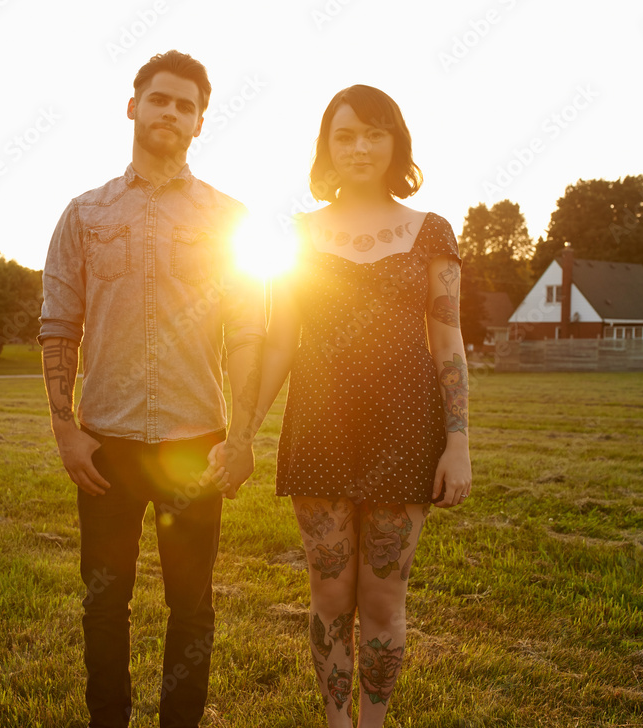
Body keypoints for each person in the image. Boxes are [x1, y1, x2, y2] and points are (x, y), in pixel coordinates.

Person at [37, 50, 264, 728]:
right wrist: (65, 428)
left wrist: (245, 437)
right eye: (159, 99)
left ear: (200, 123)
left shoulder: (230, 218)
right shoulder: (84, 214)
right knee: (104, 603)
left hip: (196, 445)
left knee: (191, 606)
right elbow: (57, 323)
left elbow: (249, 332)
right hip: (105, 444)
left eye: (186, 105)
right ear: (132, 106)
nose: (171, 112)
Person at [244, 85, 473, 726]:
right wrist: (243, 435)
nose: (360, 147)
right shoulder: (297, 233)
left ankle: (371, 723)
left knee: (381, 595)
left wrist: (458, 442)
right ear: (326, 148)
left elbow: (448, 338)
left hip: (407, 429)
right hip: (320, 427)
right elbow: (279, 341)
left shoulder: (431, 232)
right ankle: (336, 722)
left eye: (374, 133)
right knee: (329, 591)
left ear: (396, 142)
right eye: (344, 135)